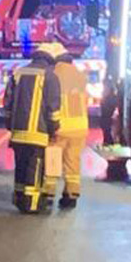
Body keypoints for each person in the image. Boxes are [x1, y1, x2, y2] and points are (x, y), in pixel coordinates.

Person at [5, 43, 60, 213]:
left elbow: (8, 103)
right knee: (34, 169)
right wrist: (54, 128)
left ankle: (19, 199)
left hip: (17, 132)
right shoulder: (50, 76)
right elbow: (53, 108)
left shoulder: (18, 73)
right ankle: (32, 203)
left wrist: (10, 125)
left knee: (20, 167)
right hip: (37, 133)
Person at [49, 48, 89, 209]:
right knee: (73, 161)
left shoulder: (53, 75)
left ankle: (49, 192)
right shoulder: (80, 76)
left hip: (60, 126)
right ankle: (71, 194)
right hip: (80, 126)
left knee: (53, 158)